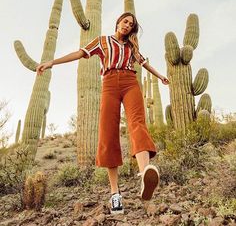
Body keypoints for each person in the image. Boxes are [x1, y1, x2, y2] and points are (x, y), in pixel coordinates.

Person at [36, 12, 169, 215]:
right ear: (118, 22)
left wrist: (160, 76)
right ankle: (115, 194)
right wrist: (52, 62)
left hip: (130, 82)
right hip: (109, 84)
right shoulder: (102, 41)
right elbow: (80, 53)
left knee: (137, 123)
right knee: (108, 134)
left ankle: (144, 174)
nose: (127, 26)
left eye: (131, 25)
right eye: (125, 22)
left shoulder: (131, 47)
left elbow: (143, 63)